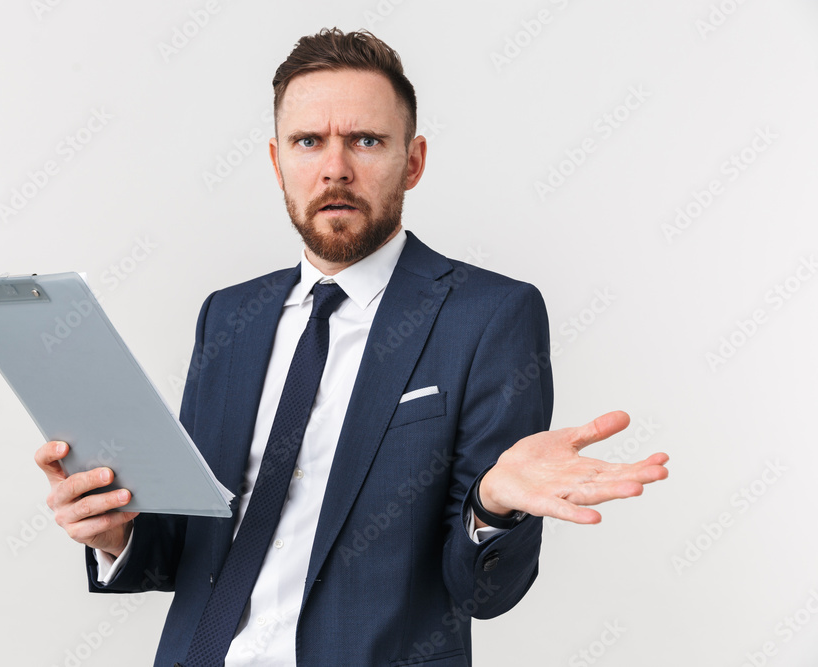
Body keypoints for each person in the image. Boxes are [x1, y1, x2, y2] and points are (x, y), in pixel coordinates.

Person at [34, 28, 669, 667]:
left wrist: (493, 504)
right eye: (308, 141)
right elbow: (189, 547)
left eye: (366, 140)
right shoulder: (228, 316)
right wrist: (114, 532)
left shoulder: (489, 317)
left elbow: (482, 592)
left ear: (413, 161)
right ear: (278, 162)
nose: (335, 167)